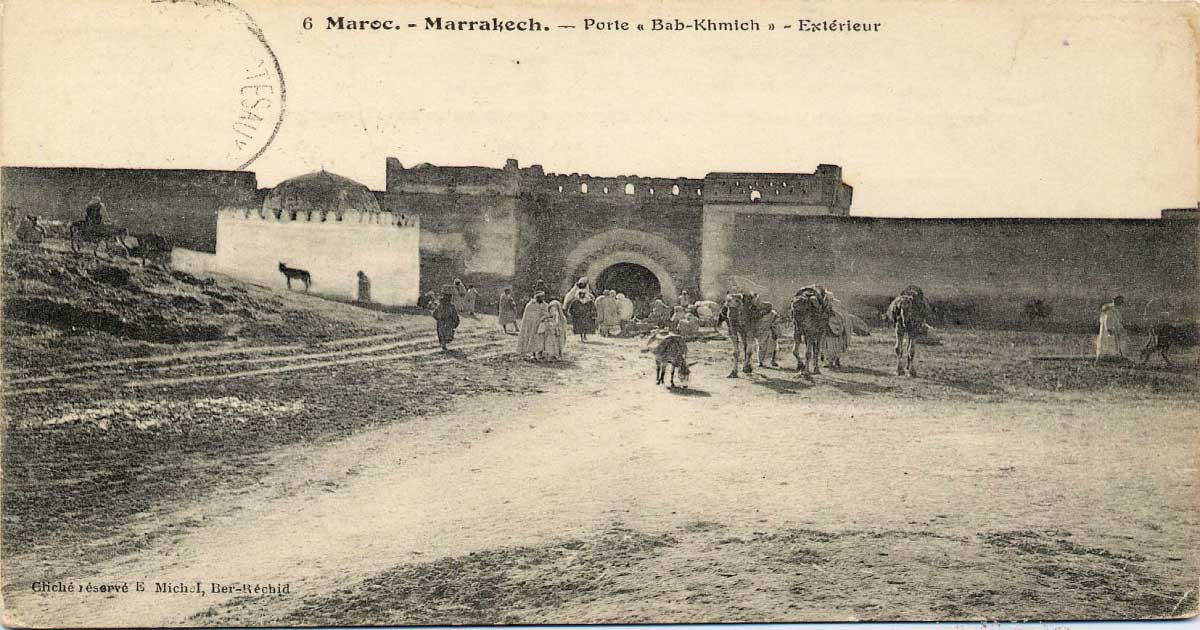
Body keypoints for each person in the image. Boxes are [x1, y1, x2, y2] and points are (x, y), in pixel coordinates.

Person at [821, 291, 852, 368]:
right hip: (828, 332)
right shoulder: (824, 307)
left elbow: (844, 317)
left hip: (838, 331)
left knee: (837, 346)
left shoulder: (837, 306)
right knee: (828, 346)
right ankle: (830, 361)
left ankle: (836, 360)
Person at [517, 291, 549, 360]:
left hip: (541, 326)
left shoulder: (545, 305)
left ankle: (540, 353)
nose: (542, 298)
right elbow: (527, 317)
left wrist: (544, 318)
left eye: (543, 297)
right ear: (537, 297)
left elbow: (548, 313)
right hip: (532, 326)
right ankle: (533, 354)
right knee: (532, 339)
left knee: (541, 339)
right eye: (541, 297)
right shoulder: (530, 305)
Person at [1095, 295, 1126, 362]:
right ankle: (1104, 358)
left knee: (1113, 344)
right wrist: (1109, 329)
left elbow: (1117, 320)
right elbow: (1107, 319)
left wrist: (1120, 328)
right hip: (1109, 330)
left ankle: (1113, 356)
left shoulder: (1115, 310)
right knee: (1107, 343)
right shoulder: (1110, 309)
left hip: (1113, 329)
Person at [754, 301, 783, 367]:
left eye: (767, 308)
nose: (765, 310)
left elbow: (776, 323)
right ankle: (760, 362)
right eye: (764, 308)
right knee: (761, 347)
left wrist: (775, 331)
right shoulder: (759, 314)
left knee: (774, 347)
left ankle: (773, 361)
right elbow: (756, 324)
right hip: (761, 333)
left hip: (771, 332)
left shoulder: (773, 314)